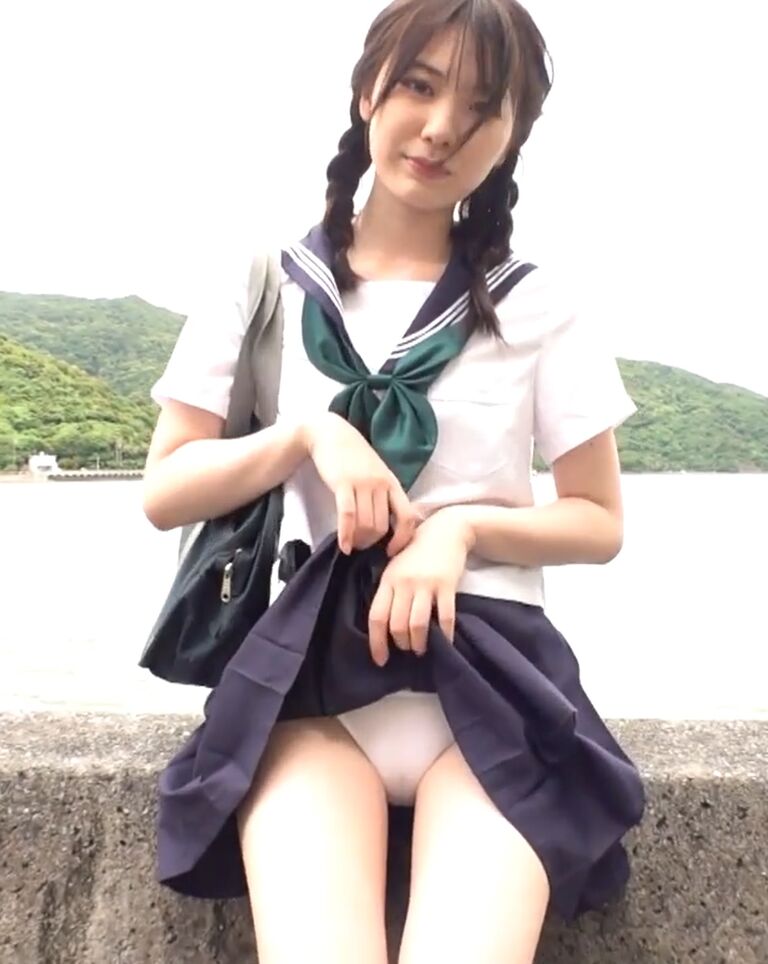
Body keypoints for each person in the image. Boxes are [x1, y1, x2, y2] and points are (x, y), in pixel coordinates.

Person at [142, 1, 645, 961]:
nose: (443, 126)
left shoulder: (538, 304)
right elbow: (165, 488)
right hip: (311, 698)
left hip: (491, 692)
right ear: (368, 90)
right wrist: (306, 438)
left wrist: (461, 531)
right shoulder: (268, 280)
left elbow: (597, 519)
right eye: (419, 85)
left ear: (513, 136)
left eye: (483, 107)